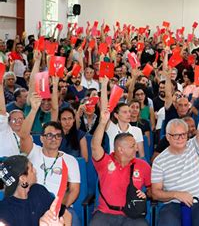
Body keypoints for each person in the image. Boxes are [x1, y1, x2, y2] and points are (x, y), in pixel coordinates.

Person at [88, 77, 151, 225]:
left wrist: (147, 193)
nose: (135, 147)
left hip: (131, 213)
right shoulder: (106, 156)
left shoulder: (142, 164)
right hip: (106, 210)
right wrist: (104, 87)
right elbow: (96, 145)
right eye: (132, 146)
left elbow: (153, 189)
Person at [151, 84, 199, 225]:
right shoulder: (159, 161)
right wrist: (176, 194)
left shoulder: (195, 146)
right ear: (167, 137)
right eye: (175, 135)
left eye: (183, 134)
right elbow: (156, 192)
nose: (180, 138)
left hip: (198, 202)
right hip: (172, 204)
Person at [18, 92, 81, 225]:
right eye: (49, 135)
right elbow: (23, 136)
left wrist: (60, 207)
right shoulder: (33, 151)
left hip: (59, 207)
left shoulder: (70, 160)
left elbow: (74, 190)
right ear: (41, 138)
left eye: (58, 136)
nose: (54, 139)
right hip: (32, 204)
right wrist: (34, 109)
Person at [0, 155, 71, 225]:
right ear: (23, 179)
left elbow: (66, 215)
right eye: (31, 169)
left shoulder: (38, 190)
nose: (35, 171)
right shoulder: (5, 211)